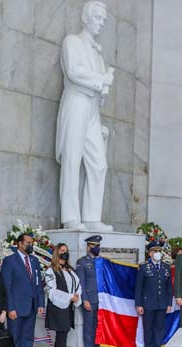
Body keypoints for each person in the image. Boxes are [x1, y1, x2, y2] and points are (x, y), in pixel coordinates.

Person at [56, 0, 115, 232]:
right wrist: (102, 80)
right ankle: (71, 216)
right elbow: (74, 72)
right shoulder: (72, 41)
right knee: (72, 159)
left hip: (92, 108)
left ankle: (91, 217)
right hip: (77, 102)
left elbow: (97, 82)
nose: (101, 23)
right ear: (85, 18)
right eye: (98, 17)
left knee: (99, 164)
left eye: (104, 19)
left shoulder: (97, 52)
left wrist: (103, 89)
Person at [1, 233, 44, 347]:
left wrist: (40, 303)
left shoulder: (34, 260)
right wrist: (10, 308)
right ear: (19, 243)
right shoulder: (9, 261)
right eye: (27, 243)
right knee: (15, 339)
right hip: (16, 309)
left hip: (31, 307)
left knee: (27, 339)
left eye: (31, 243)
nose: (30, 246)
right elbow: (7, 287)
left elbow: (38, 284)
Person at [44, 244, 81, 347]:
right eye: (62, 250)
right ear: (57, 253)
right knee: (62, 335)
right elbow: (52, 292)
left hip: (68, 306)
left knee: (62, 334)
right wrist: (70, 297)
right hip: (58, 306)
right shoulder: (51, 271)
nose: (65, 253)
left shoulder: (69, 269)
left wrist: (76, 296)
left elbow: (77, 284)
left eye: (67, 250)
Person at [135, 241, 173, 347]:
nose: (157, 253)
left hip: (162, 304)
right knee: (148, 329)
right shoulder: (144, 267)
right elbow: (139, 288)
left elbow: (169, 288)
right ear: (150, 253)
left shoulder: (166, 267)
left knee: (159, 329)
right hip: (148, 304)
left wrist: (169, 303)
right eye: (155, 251)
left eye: (159, 251)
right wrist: (138, 304)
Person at [76, 235, 106, 347]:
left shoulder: (102, 262)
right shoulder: (82, 262)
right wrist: (85, 300)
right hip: (90, 299)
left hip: (102, 300)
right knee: (89, 328)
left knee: (98, 328)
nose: (96, 248)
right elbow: (81, 283)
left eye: (98, 245)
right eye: (93, 245)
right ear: (88, 247)